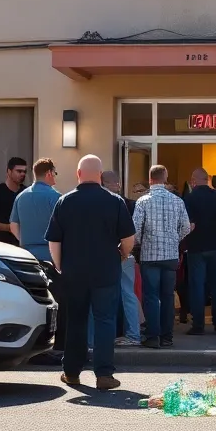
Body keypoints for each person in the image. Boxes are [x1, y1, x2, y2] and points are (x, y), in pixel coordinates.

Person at [45, 154, 135, 390]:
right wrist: (123, 254)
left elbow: (54, 240)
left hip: (74, 272)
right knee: (105, 320)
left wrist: (60, 265)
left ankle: (72, 372)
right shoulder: (115, 202)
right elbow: (128, 238)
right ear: (100, 176)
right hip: (106, 270)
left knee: (76, 321)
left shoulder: (64, 201)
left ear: (78, 174)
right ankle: (104, 375)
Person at [132, 165, 192, 349]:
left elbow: (135, 230)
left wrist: (142, 242)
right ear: (165, 178)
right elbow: (186, 227)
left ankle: (152, 336)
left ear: (150, 179)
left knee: (150, 297)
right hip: (171, 256)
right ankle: (167, 337)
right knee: (167, 296)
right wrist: (174, 240)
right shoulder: (177, 201)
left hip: (150, 256)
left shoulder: (143, 201)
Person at [11, 158, 63, 360]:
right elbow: (62, 229)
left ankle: (32, 346)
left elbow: (14, 225)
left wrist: (25, 241)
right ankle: (52, 346)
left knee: (32, 302)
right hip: (51, 256)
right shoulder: (56, 197)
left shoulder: (21, 197)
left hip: (27, 256)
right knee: (54, 303)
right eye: (55, 173)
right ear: (49, 173)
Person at [182, 168, 216, 335]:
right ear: (208, 179)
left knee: (197, 286)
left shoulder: (189, 198)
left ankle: (198, 325)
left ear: (193, 180)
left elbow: (186, 224)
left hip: (196, 247)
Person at [102, 170, 142, 347]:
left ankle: (104, 336)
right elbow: (133, 232)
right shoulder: (130, 204)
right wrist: (126, 252)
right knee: (128, 294)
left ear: (103, 183)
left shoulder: (104, 203)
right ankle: (133, 333)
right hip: (126, 253)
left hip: (107, 254)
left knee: (104, 295)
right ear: (118, 183)